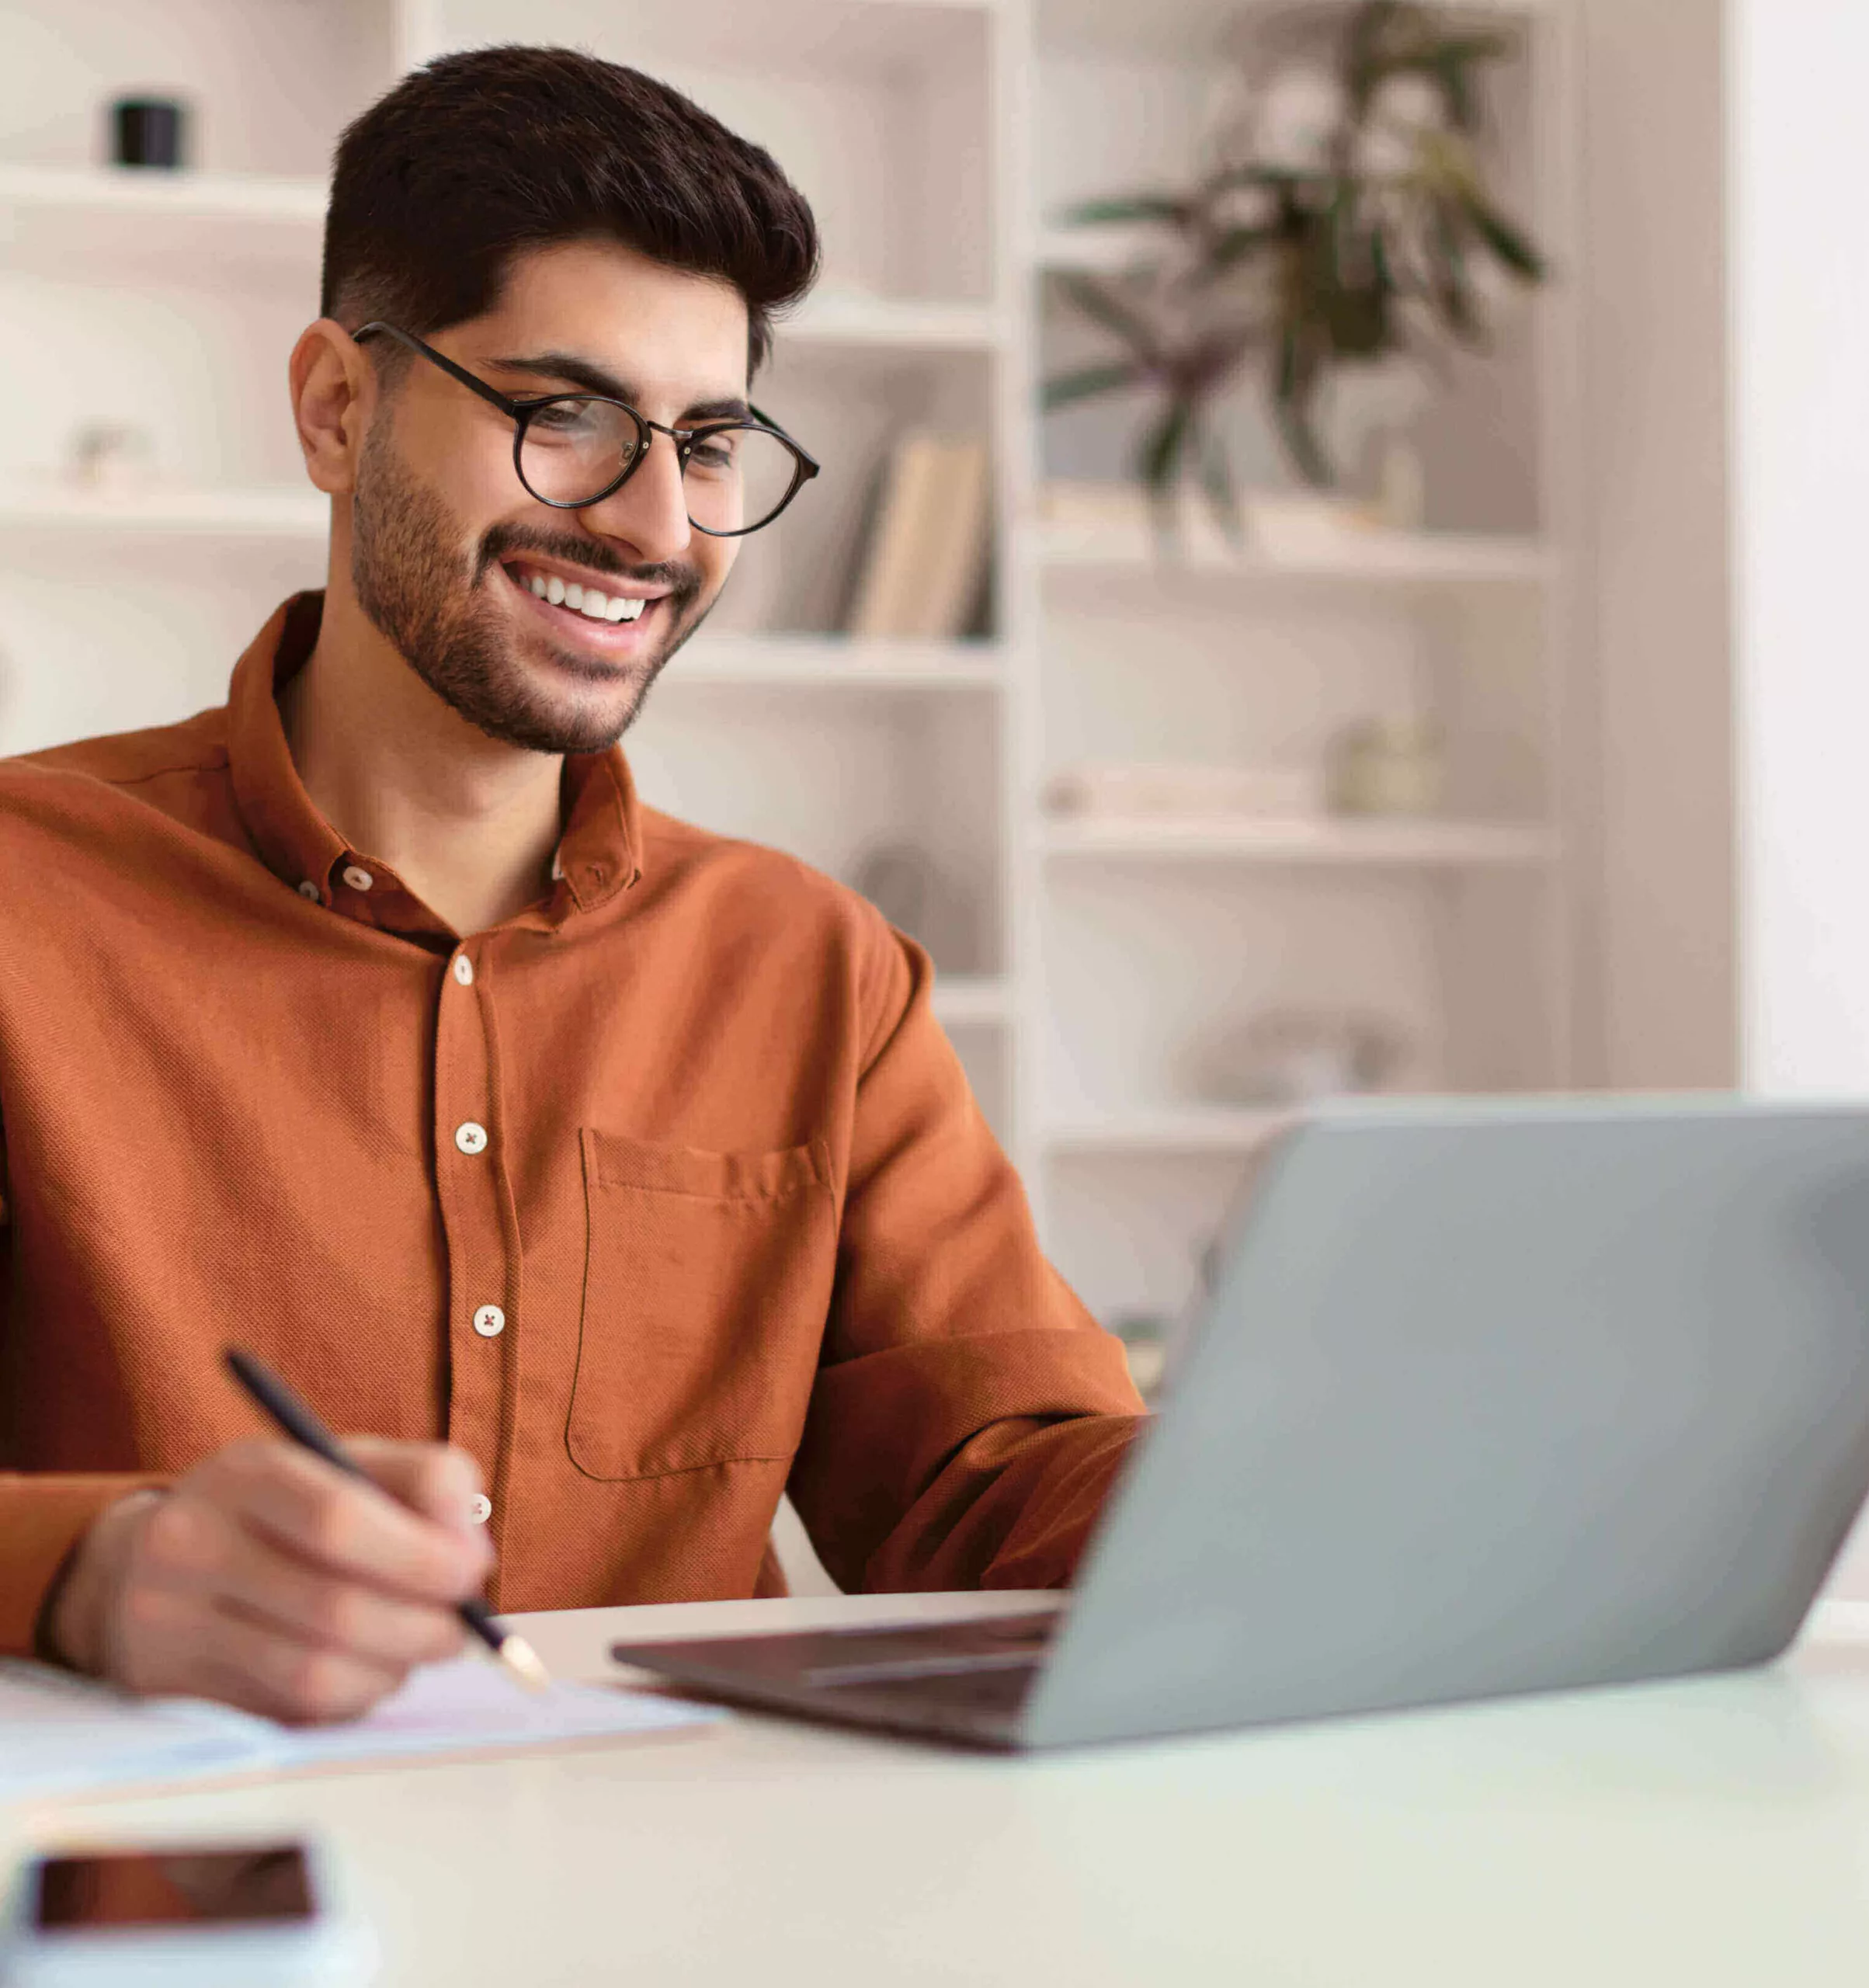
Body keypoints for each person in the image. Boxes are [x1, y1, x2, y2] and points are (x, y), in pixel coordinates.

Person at [0, 45, 1145, 1722]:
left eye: (710, 442)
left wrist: (1283, 1503)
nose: (652, 522)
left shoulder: (816, 970)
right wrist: (87, 1567)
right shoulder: (28, 899)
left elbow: (987, 1482)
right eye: (565, 415)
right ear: (336, 405)